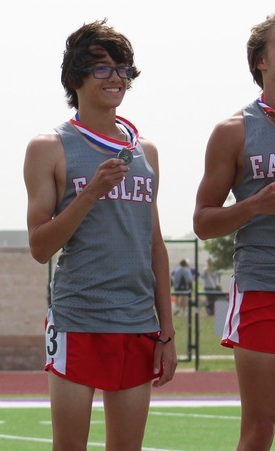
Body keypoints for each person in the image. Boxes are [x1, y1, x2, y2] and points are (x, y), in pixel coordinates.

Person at [23, 20, 177, 450]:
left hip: (137, 323)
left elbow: (155, 246)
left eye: (122, 69)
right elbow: (40, 247)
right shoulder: (49, 146)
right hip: (79, 318)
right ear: (75, 78)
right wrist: (91, 192)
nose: (116, 78)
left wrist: (166, 332)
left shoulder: (145, 151)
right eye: (103, 69)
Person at [193, 13, 275, 450]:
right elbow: (202, 222)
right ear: (261, 60)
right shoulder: (234, 131)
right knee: (260, 429)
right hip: (262, 286)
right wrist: (256, 205)